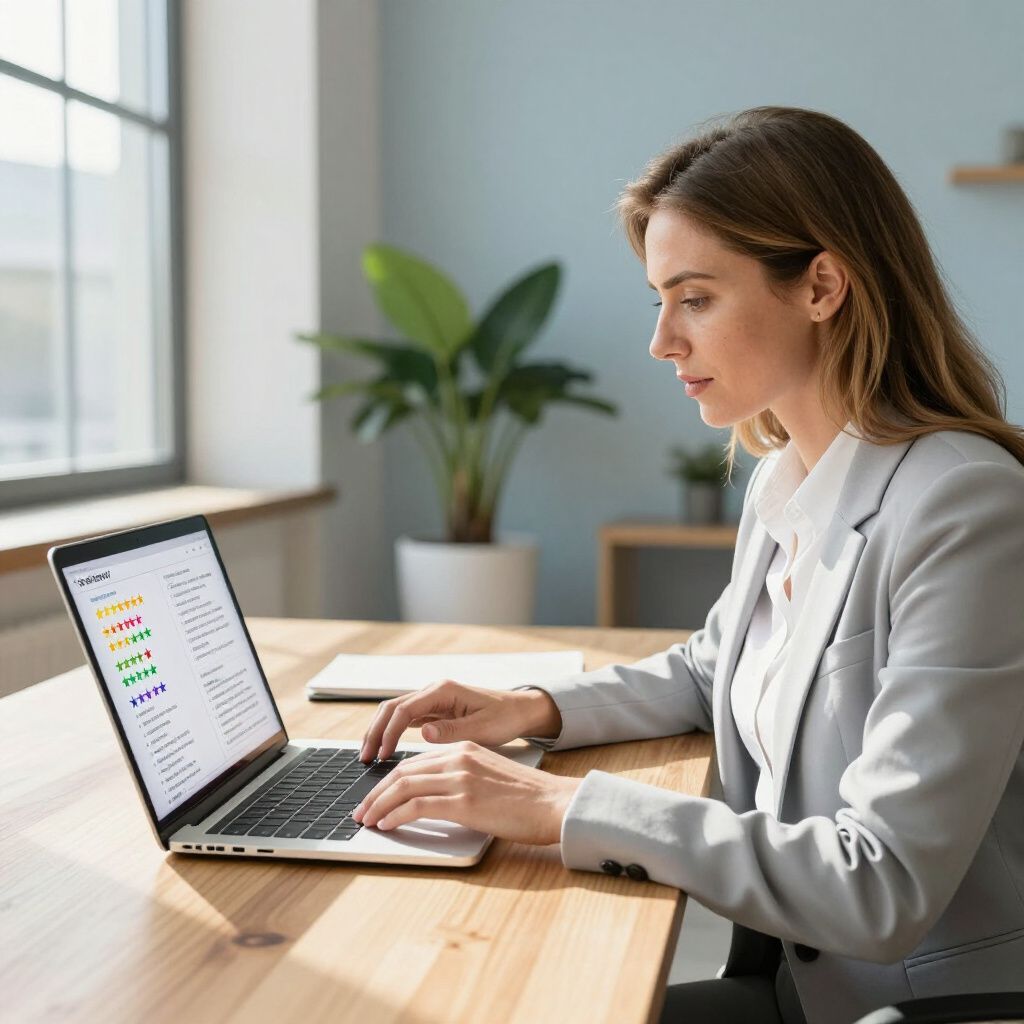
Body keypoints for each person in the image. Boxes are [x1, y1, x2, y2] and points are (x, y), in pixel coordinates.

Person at [350, 106, 1024, 1024]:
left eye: (696, 298)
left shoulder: (965, 504)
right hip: (808, 983)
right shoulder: (790, 477)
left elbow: (884, 880)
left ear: (822, 284)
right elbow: (717, 666)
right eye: (660, 301)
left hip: (927, 1002)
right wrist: (533, 709)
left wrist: (561, 806)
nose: (663, 342)